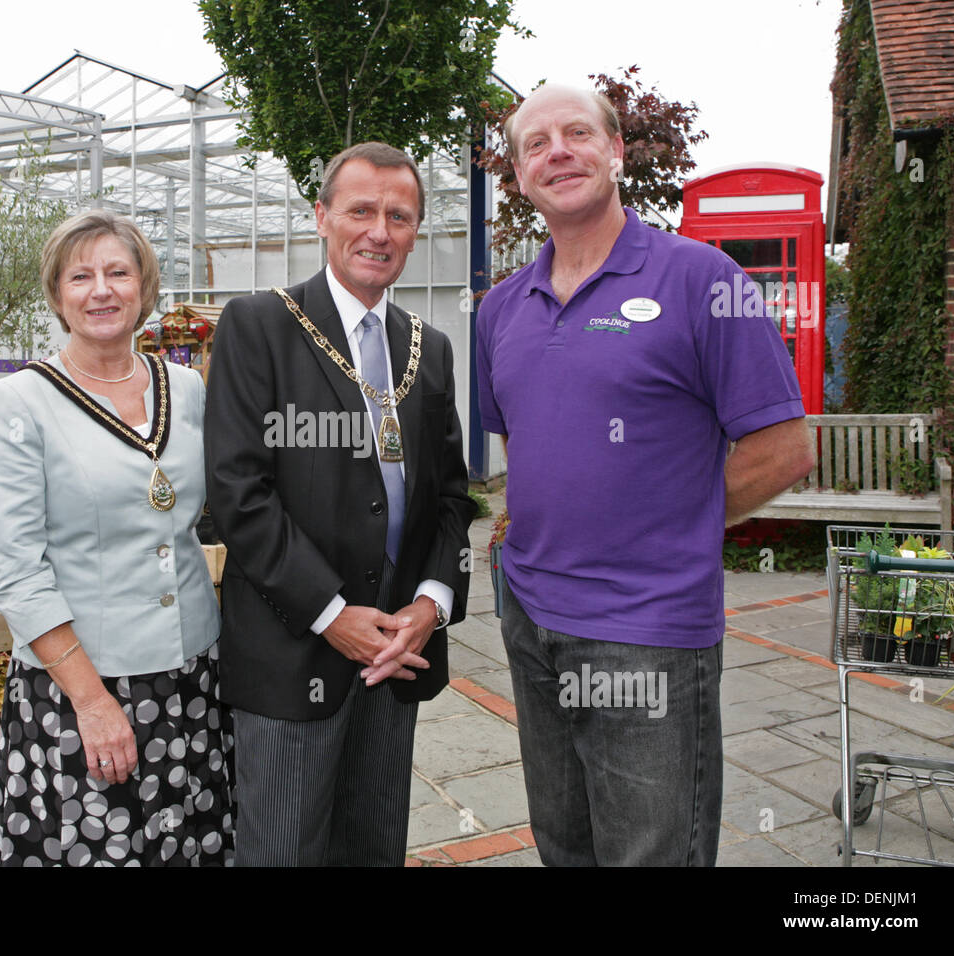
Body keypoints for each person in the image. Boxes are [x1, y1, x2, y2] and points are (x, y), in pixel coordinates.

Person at [476, 85, 817, 866]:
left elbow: (786, 447)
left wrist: (672, 524)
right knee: (566, 847)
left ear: (616, 151)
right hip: (530, 620)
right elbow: (524, 446)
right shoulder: (501, 308)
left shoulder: (704, 279)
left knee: (651, 855)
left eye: (577, 133)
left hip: (649, 631)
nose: (557, 151)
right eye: (536, 143)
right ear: (522, 178)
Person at [205, 141, 475, 866]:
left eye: (399, 216)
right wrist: (332, 614)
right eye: (361, 210)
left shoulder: (430, 347)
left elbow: (452, 495)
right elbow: (237, 493)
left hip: (396, 657)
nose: (379, 231)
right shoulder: (260, 325)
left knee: (374, 848)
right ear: (321, 217)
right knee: (284, 853)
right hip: (294, 656)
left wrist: (429, 605)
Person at [0, 209, 232, 866]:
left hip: (191, 675)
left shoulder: (188, 388)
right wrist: (92, 704)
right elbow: (18, 571)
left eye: (118, 272)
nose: (101, 290)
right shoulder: (18, 403)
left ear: (144, 286)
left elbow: (224, 509)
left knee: (190, 848)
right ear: (58, 295)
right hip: (84, 686)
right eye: (80, 276)